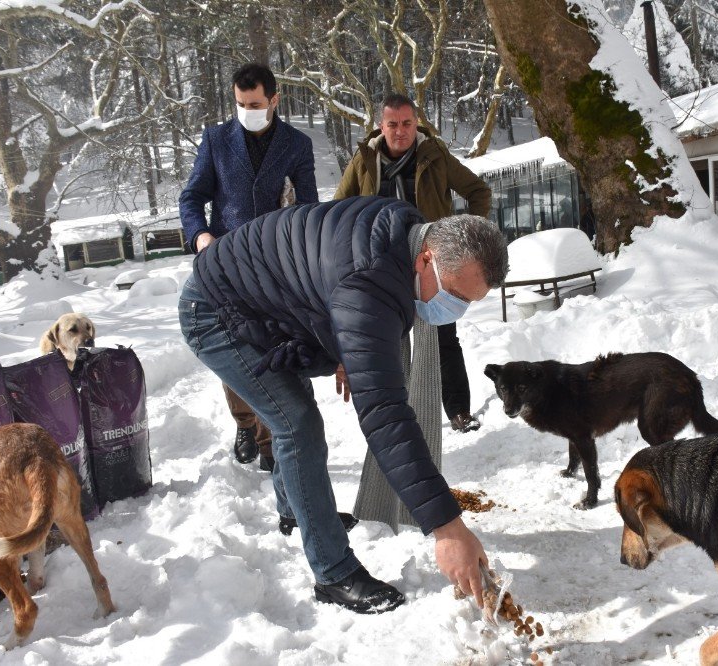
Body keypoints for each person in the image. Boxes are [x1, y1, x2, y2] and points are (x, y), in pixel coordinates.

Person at [178, 196, 509, 613]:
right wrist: (447, 528)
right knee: (296, 424)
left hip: (260, 298)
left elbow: (325, 283)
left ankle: (296, 510)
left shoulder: (402, 236)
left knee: (293, 413)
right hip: (215, 312)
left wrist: (346, 347)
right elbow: (386, 417)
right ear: (426, 259)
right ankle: (333, 573)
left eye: (469, 303)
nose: (456, 311)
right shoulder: (369, 283)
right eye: (456, 296)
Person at [179, 62, 318, 471]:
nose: (246, 111)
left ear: (274, 100)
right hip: (225, 263)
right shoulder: (216, 140)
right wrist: (201, 236)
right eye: (240, 104)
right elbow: (191, 197)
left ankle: (274, 438)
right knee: (236, 344)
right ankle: (245, 423)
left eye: (255, 104)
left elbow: (309, 207)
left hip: (276, 264)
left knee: (273, 343)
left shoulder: (296, 144)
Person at [334, 94, 491, 433]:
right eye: (392, 124)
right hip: (382, 266)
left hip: (433, 262)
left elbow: (479, 191)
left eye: (407, 123)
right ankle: (400, 417)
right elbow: (335, 211)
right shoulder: (364, 159)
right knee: (390, 342)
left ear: (415, 123)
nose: (400, 131)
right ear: (381, 126)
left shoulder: (434, 155)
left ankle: (459, 411)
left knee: (443, 337)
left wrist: (467, 239)